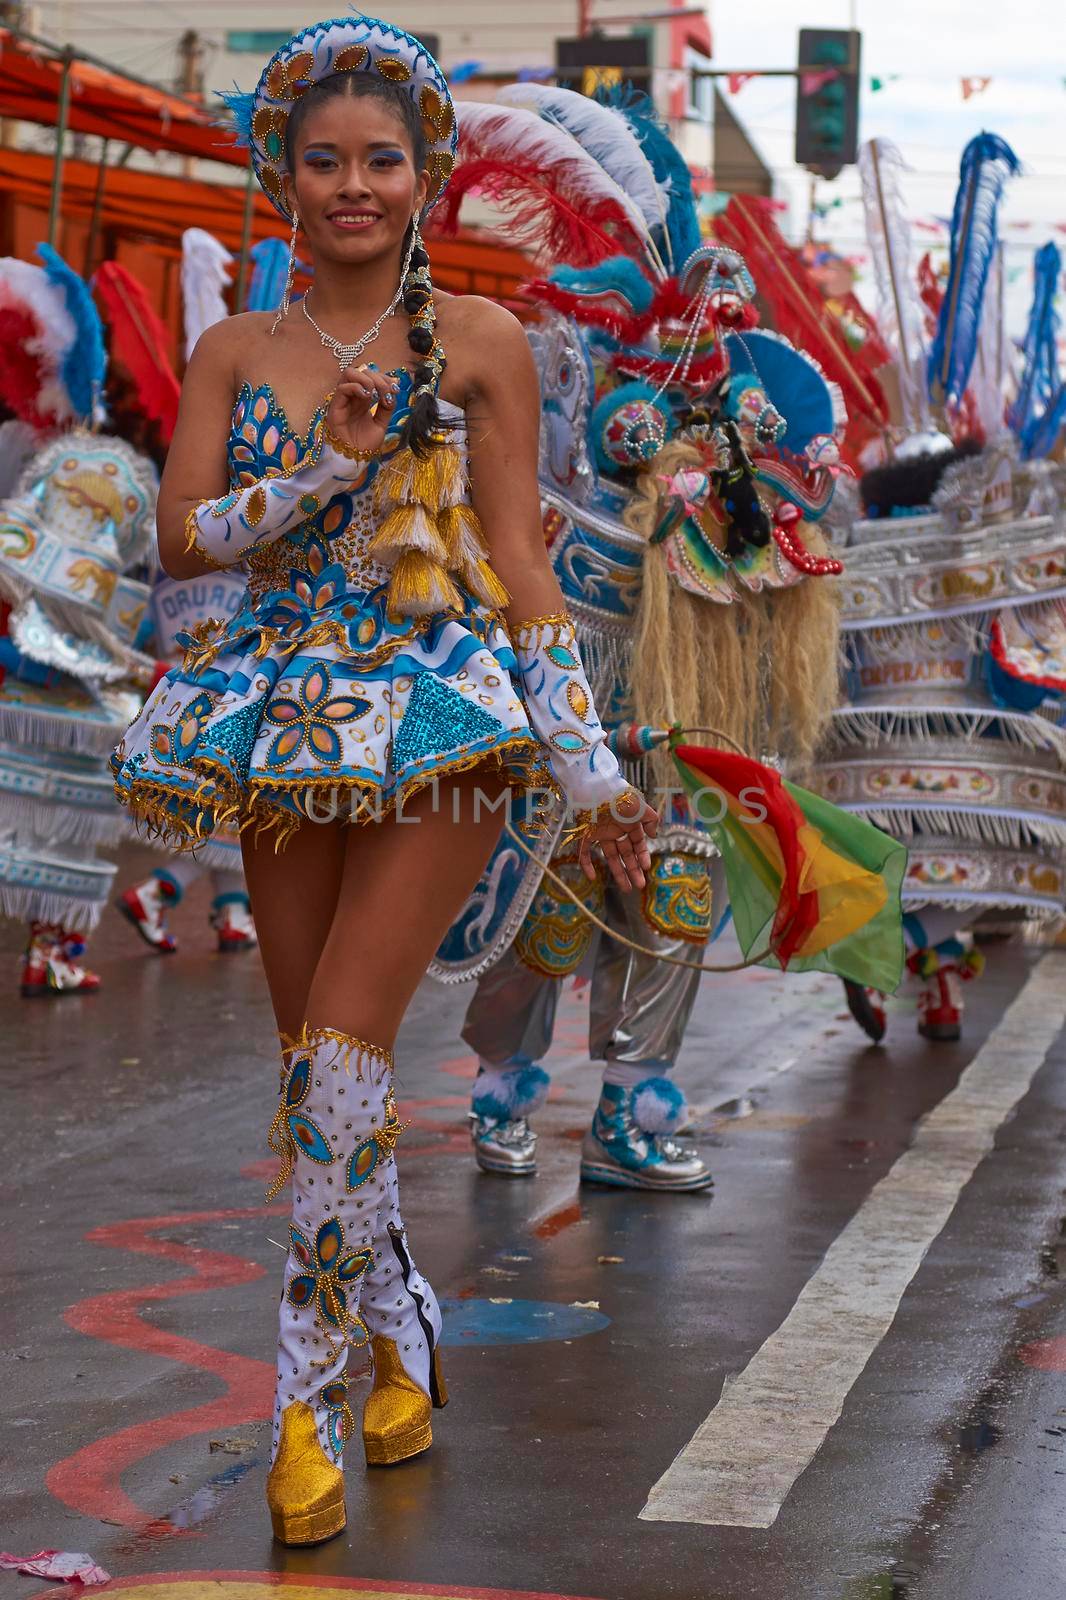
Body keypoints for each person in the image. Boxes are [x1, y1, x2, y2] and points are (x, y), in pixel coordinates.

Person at [111, 15, 655, 1548]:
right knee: (316, 1078)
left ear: (424, 179)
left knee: (345, 1055)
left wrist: (592, 771)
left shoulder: (480, 344)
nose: (354, 184)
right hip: (276, 726)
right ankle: (402, 1323)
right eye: (325, 160)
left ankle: (304, 1396)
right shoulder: (233, 351)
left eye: (382, 161)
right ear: (281, 179)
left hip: (436, 721)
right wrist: (329, 470)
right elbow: (185, 539)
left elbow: (526, 569)